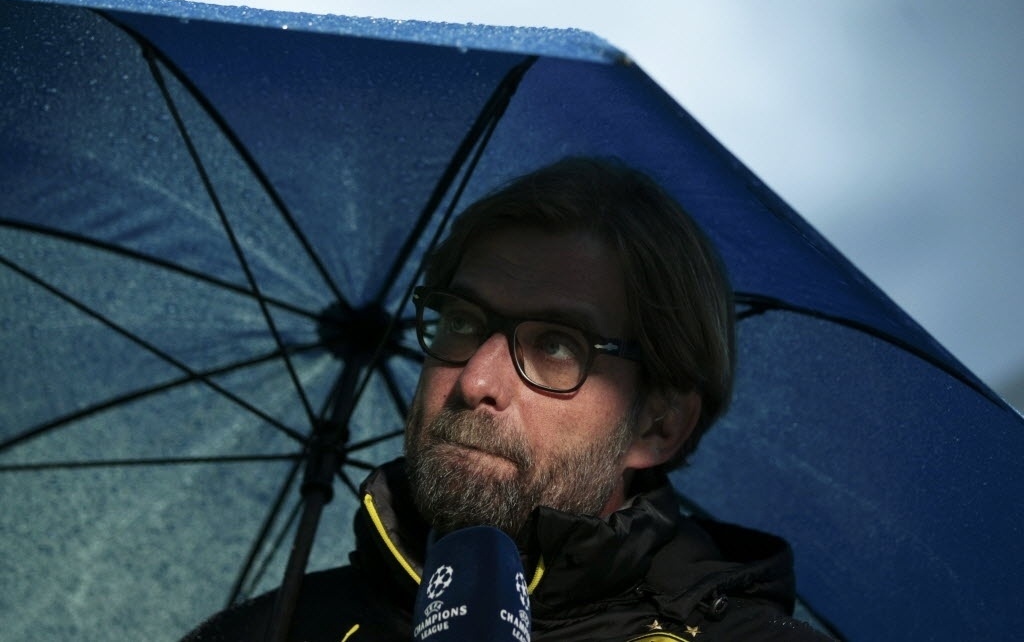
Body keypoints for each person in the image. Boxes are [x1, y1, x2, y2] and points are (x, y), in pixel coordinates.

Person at [184, 157, 833, 641]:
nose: (476, 381)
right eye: (461, 323)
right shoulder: (267, 631)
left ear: (659, 425)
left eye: (556, 345)